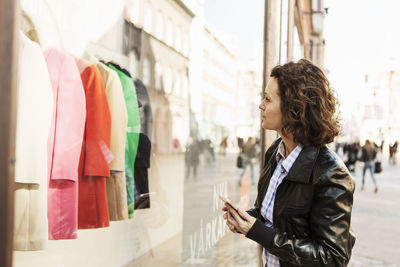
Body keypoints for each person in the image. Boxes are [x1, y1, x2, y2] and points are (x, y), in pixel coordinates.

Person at [222, 59, 355, 266]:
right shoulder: (276, 151)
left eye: (267, 99)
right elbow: (272, 214)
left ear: (294, 108)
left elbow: (332, 258)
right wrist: (244, 219)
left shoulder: (331, 173)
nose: (261, 105)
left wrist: (258, 233)